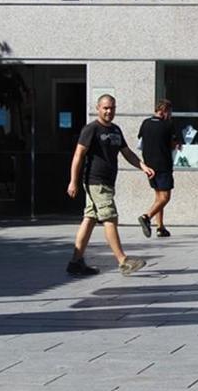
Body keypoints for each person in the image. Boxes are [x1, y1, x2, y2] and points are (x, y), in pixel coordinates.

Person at [66, 94, 154, 276]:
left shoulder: (115, 130)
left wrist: (142, 166)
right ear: (98, 108)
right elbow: (78, 155)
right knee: (110, 218)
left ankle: (75, 262)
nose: (109, 111)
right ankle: (123, 261)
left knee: (89, 219)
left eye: (112, 108)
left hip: (107, 182)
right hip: (95, 181)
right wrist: (73, 181)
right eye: (105, 108)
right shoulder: (91, 129)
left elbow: (127, 152)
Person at [137, 99, 177, 238]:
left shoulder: (145, 123)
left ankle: (160, 227)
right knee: (165, 197)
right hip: (163, 164)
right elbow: (172, 144)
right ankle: (146, 217)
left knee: (158, 197)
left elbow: (140, 143)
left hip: (149, 166)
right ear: (164, 111)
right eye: (169, 112)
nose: (170, 115)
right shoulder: (168, 125)